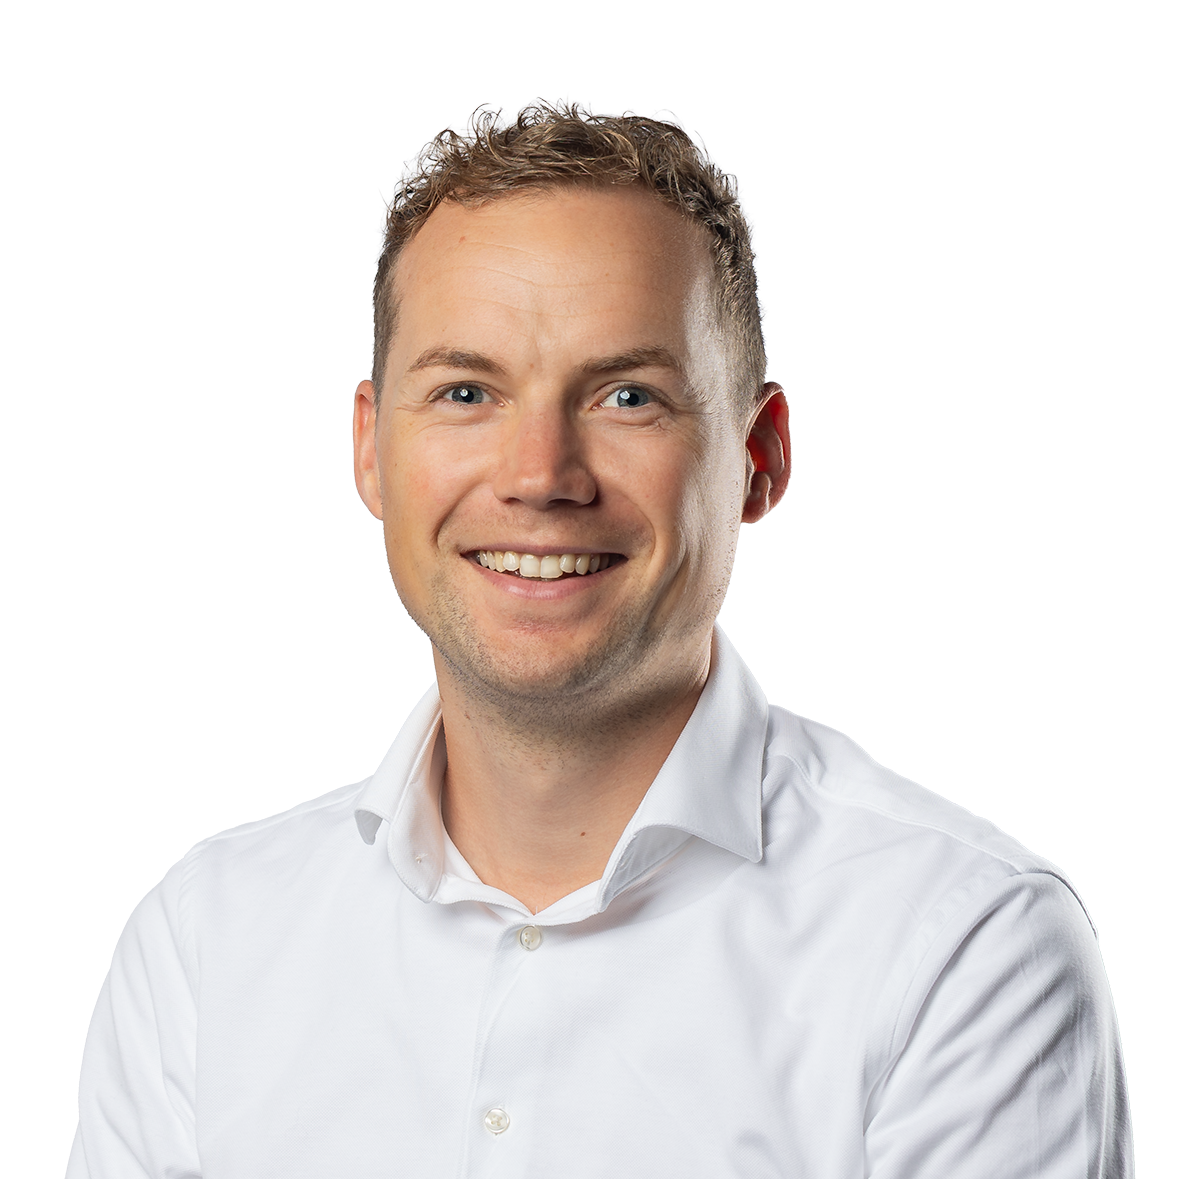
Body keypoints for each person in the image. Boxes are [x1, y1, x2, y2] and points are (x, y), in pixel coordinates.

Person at [68, 103, 1132, 1178]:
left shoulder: (962, 945)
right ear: (369, 450)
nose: (539, 474)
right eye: (465, 392)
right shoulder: (201, 949)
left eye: (628, 396)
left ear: (758, 458)